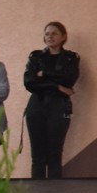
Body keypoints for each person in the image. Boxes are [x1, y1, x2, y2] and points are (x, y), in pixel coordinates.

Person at [23, 21, 79, 180]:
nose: (50, 36)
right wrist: (58, 87)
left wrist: (45, 74)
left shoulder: (70, 58)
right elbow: (29, 82)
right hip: (37, 106)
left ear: (63, 36)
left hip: (59, 106)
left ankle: (55, 192)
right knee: (37, 155)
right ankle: (38, 190)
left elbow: (69, 79)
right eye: (47, 33)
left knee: (55, 154)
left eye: (54, 33)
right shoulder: (36, 56)